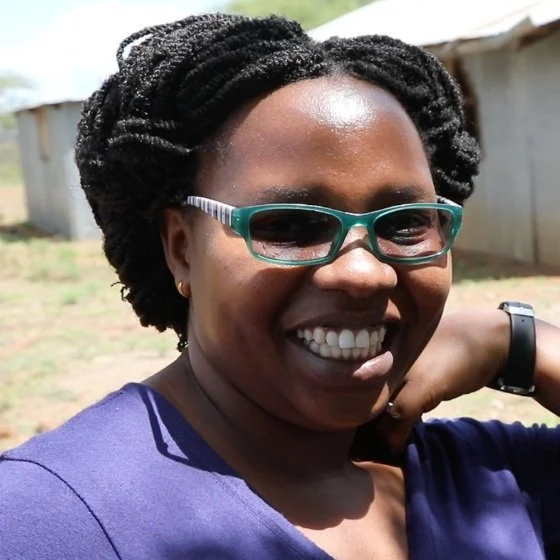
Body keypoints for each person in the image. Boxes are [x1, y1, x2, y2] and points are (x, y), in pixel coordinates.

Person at [0, 13, 559, 560]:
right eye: (289, 226)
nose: (365, 273)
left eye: (406, 222)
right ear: (181, 247)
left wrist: (516, 342)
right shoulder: (54, 518)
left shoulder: (495, 481)